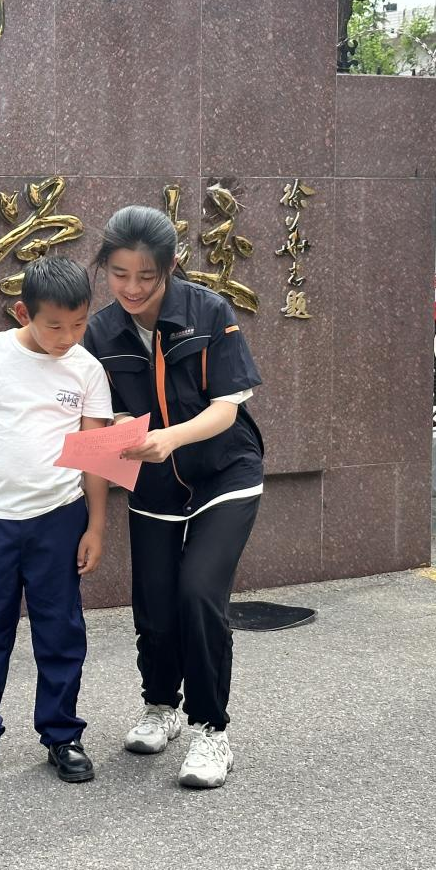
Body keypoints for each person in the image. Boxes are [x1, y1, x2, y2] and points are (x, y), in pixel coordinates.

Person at [82, 205, 264, 790]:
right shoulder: (100, 331)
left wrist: (171, 437)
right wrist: (115, 435)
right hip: (154, 482)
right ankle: (161, 706)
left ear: (171, 266)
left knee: (198, 593)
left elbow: (226, 407)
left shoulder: (209, 312)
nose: (132, 288)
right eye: (119, 274)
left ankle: (212, 730)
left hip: (224, 471)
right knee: (155, 604)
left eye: (147, 276)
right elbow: (99, 418)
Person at [0, 256, 113, 784]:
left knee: (60, 631)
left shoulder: (87, 369)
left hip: (59, 517)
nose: (67, 337)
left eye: (79, 324)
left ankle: (62, 735)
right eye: (55, 325)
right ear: (22, 313)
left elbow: (96, 454)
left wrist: (96, 526)